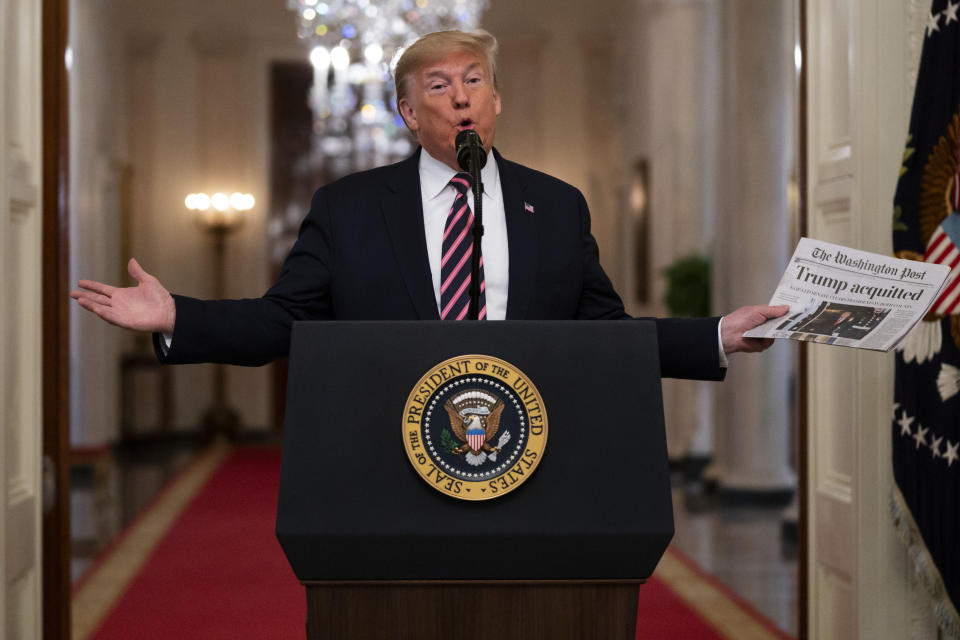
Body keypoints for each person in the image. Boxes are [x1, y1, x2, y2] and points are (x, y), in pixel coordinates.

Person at [71, 29, 786, 378]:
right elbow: (282, 323)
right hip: (388, 453)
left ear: (498, 100)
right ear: (409, 114)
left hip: (531, 453)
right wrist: (176, 317)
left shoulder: (557, 207)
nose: (462, 94)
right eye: (439, 86)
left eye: (474, 79)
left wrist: (717, 334)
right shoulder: (348, 208)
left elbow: (603, 333)